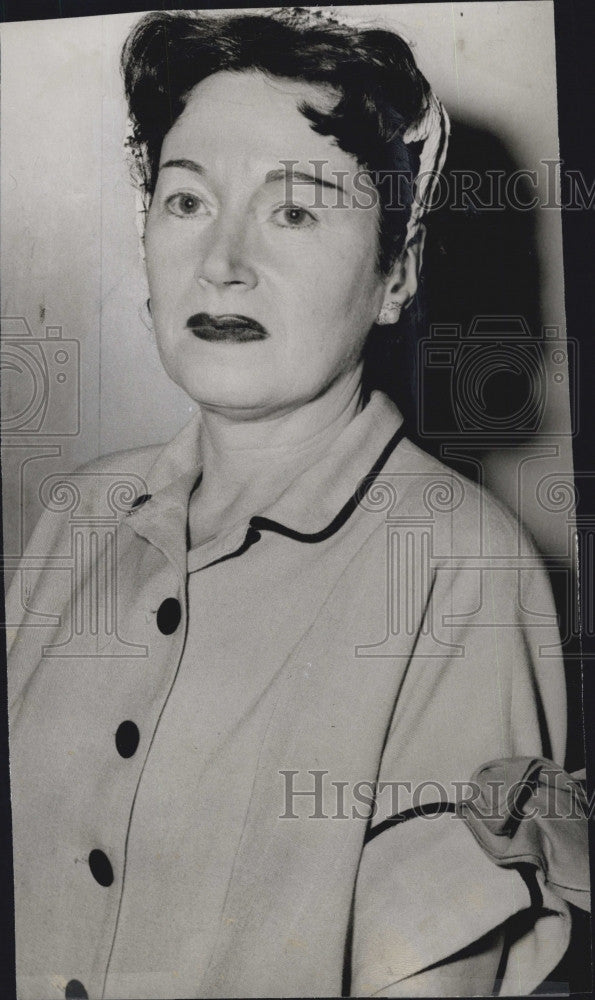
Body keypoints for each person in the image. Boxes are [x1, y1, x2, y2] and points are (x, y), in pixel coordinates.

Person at [5, 7, 589, 999]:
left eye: (295, 210)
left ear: (395, 274)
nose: (222, 260)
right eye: (186, 202)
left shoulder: (456, 563)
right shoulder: (79, 515)